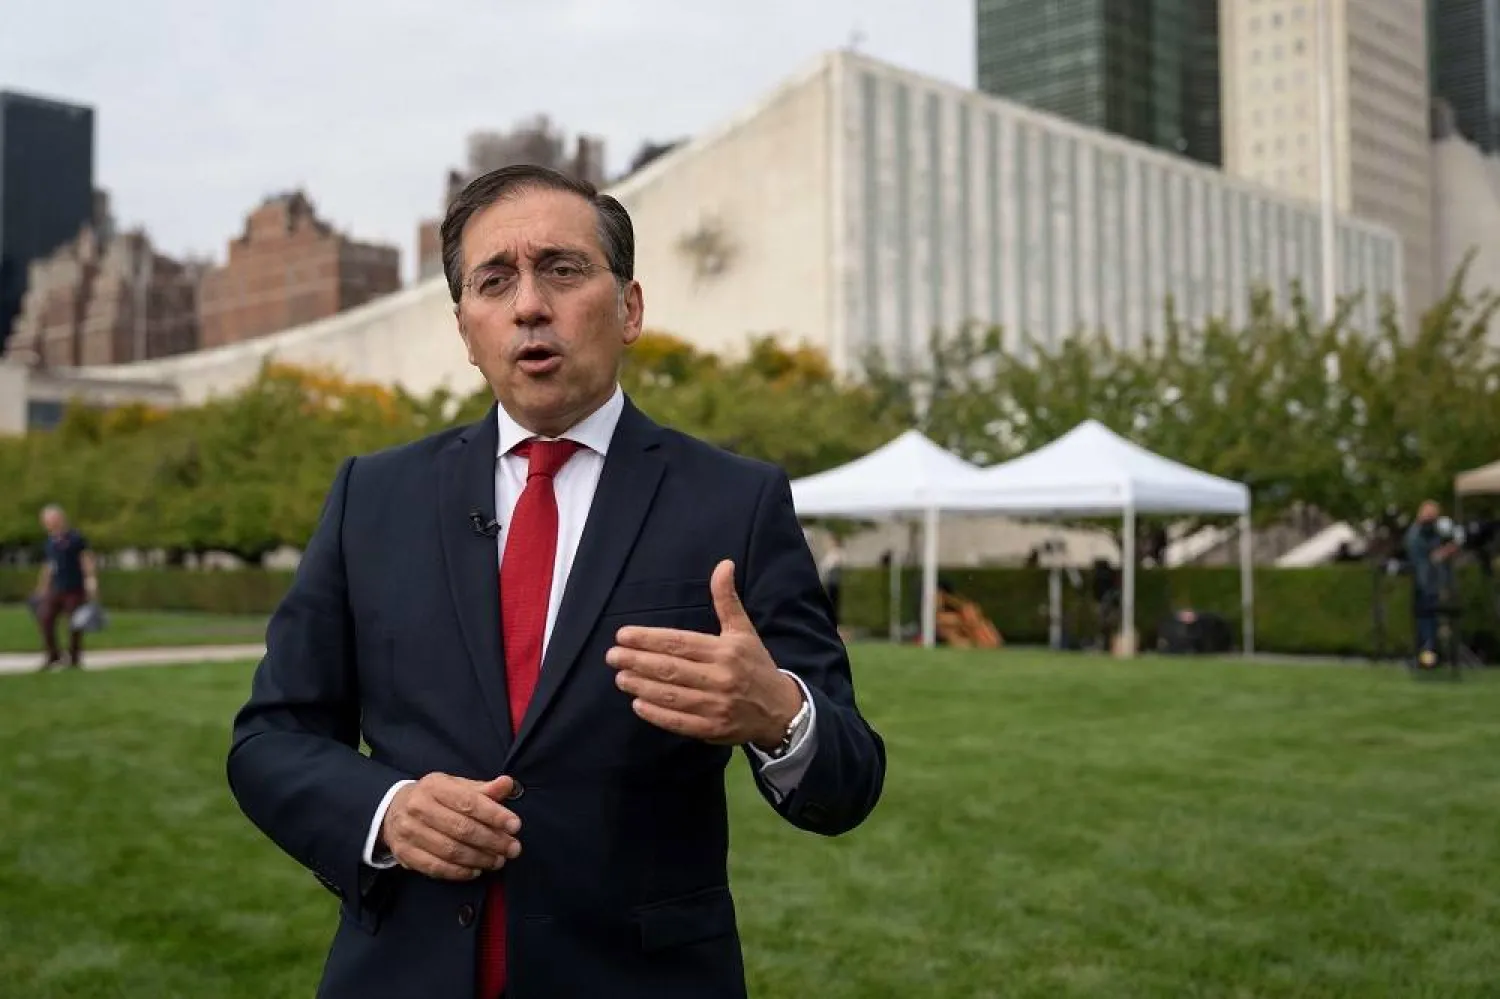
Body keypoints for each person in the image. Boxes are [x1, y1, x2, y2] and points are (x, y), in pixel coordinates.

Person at [225, 164, 886, 999]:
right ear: (466, 330)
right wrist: (386, 809)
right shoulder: (373, 497)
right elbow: (271, 738)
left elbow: (849, 779)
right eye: (494, 281)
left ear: (630, 308)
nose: (529, 305)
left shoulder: (735, 502)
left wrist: (780, 714)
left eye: (562, 270)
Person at [32, 504, 98, 670]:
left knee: (74, 623)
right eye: (45, 521)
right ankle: (53, 655)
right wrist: (42, 587)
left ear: (60, 519)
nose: (47, 524)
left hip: (74, 587)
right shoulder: (50, 542)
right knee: (45, 618)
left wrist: (90, 580)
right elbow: (49, 566)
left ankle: (74, 658)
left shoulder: (75, 539)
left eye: (50, 520)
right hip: (56, 587)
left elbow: (86, 559)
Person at [1404, 499, 1459, 668]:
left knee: (1432, 621)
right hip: (1425, 585)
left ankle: (1431, 655)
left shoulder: (1430, 532)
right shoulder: (1417, 534)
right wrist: (1445, 551)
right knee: (1426, 622)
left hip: (1430, 584)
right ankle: (1427, 657)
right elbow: (1429, 557)